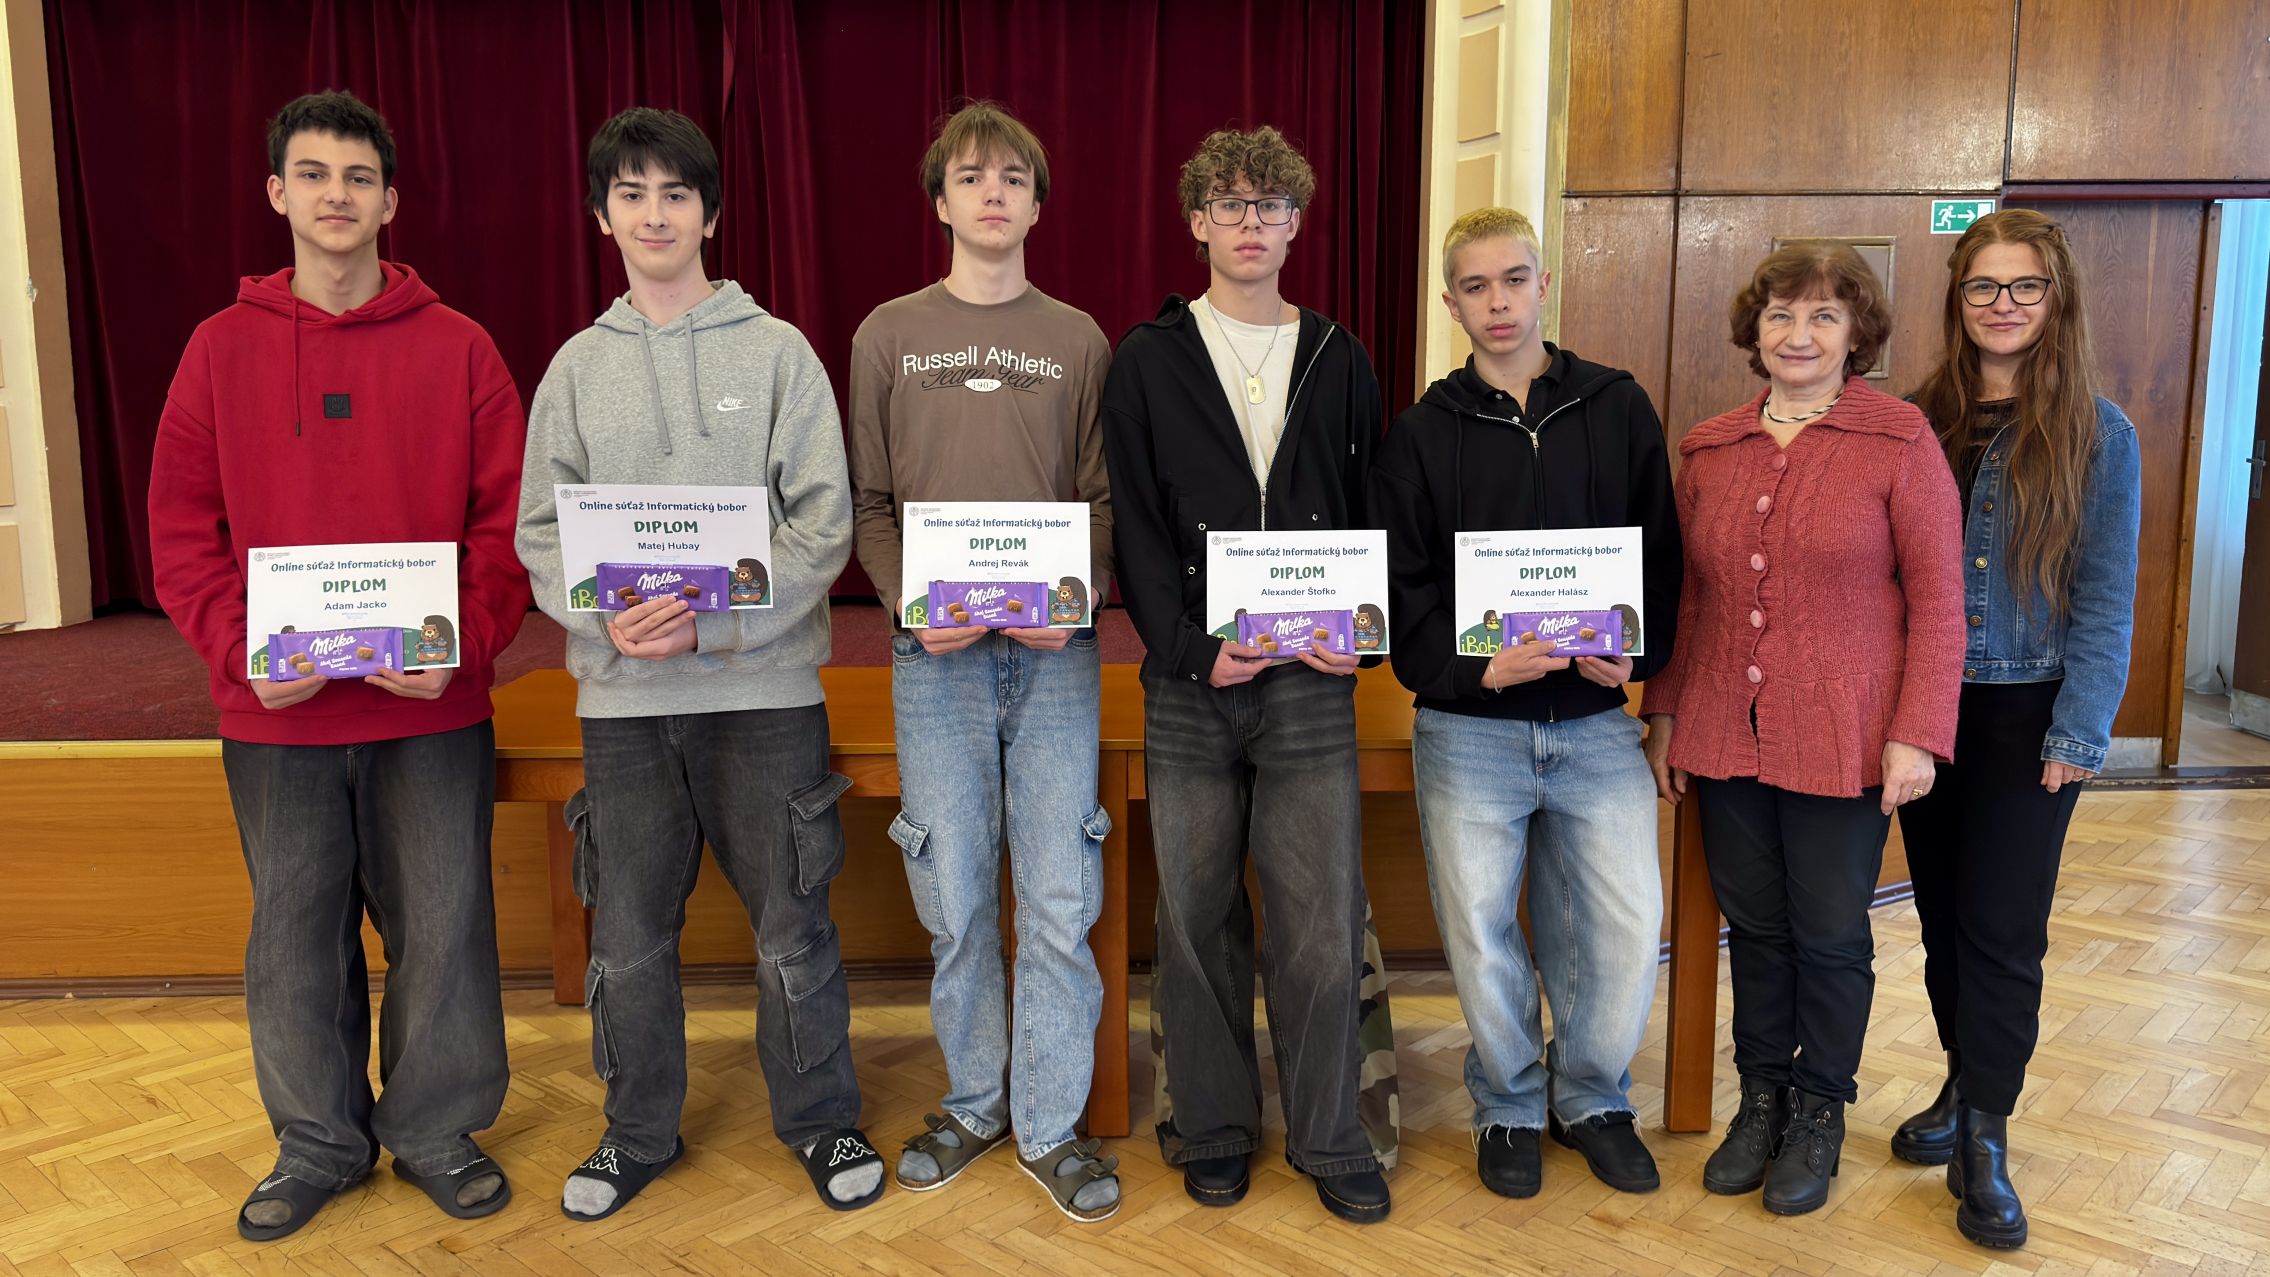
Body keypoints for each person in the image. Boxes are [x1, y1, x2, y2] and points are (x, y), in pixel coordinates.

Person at [148, 90, 528, 1241]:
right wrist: (236, 652)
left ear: (390, 200)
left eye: (358, 177)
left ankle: (435, 1126)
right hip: (277, 717)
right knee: (294, 942)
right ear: (277, 192)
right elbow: (182, 532)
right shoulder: (217, 350)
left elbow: (508, 527)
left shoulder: (461, 347)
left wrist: (460, 641)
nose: (336, 195)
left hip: (431, 707)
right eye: (312, 174)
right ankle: (317, 1139)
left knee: (445, 929)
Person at [515, 107, 878, 1219]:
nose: (654, 213)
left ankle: (820, 1118)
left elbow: (822, 526)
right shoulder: (576, 368)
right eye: (631, 194)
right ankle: (635, 1131)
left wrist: (713, 629)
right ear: (601, 216)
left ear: (710, 212)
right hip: (623, 703)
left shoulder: (777, 353)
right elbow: (543, 534)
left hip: (763, 695)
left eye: (675, 193)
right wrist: (602, 619)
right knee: (627, 938)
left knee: (791, 928)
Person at [1101, 124, 1393, 1224]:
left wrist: (1362, 635)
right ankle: (1214, 1125)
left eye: (1271, 206)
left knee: (1319, 916)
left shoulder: (1339, 354)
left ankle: (1330, 1135)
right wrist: (1187, 647)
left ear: (1295, 223)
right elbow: (1134, 520)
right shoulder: (1148, 356)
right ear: (1197, 221)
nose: (1251, 223)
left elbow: (1368, 510)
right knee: (1193, 915)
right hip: (1190, 683)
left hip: (1312, 679)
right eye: (1230, 204)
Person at [1641, 242, 1963, 1216]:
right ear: (1756, 329)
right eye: (1781, 314)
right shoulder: (1709, 449)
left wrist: (1917, 730)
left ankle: (1819, 1109)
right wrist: (1664, 711)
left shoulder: (1898, 439)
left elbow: (1940, 600)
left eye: (1824, 315)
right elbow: (1688, 597)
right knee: (1756, 927)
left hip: (1846, 734)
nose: (1799, 334)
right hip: (1721, 730)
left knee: (1828, 933)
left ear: (1856, 333)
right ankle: (1761, 1100)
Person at [845, 101, 1121, 1223]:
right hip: (936, 661)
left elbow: (1101, 500)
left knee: (1058, 897)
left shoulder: (1080, 339)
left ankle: (1050, 1124)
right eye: (971, 177)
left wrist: (1078, 592)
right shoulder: (886, 334)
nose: (992, 192)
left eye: (1012, 177)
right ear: (941, 201)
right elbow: (870, 504)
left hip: (1055, 661)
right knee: (955, 899)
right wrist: (911, 605)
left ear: (1038, 204)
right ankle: (973, 1103)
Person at [1371, 206, 1681, 1198]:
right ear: (1450, 301)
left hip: (1593, 723)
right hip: (1469, 730)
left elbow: (1659, 556)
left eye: (1514, 279)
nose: (1497, 301)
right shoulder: (1420, 432)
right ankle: (1506, 1100)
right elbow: (1404, 587)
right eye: (1476, 286)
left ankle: (1588, 1095)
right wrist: (1471, 671)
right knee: (1478, 929)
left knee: (1624, 924)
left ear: (1543, 285)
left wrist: (1633, 653)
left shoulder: (1616, 405)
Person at [1892, 210, 2141, 1249]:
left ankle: (1985, 1135)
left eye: (2023, 286)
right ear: (1957, 300)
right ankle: (1961, 1080)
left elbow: (2105, 596)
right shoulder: (1913, 422)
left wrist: (2078, 731)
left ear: (2055, 297)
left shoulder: (2098, 432)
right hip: (1923, 709)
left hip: (2026, 712)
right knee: (1940, 919)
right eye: (1982, 287)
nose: (2002, 305)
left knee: (2001, 928)